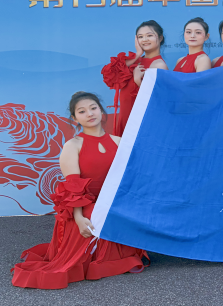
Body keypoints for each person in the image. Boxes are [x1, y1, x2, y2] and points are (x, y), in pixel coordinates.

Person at [11, 92, 148, 289]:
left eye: (93, 108)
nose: (89, 114)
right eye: (82, 111)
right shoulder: (73, 145)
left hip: (113, 202)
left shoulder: (119, 142)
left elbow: (130, 179)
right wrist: (78, 217)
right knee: (94, 215)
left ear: (101, 111)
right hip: (84, 205)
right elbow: (73, 186)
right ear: (74, 118)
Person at [102, 20, 168, 136]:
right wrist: (137, 54)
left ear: (160, 38)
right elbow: (109, 74)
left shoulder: (159, 65)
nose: (145, 39)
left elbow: (158, 100)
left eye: (149, 35)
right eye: (140, 37)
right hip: (125, 116)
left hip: (139, 120)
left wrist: (138, 81)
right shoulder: (135, 61)